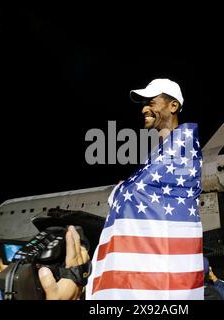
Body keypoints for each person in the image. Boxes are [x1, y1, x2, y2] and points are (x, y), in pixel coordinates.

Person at [86, 79, 204, 300]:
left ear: (173, 106)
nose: (144, 109)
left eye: (151, 102)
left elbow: (141, 191)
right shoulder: (161, 151)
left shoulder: (183, 146)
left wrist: (123, 189)